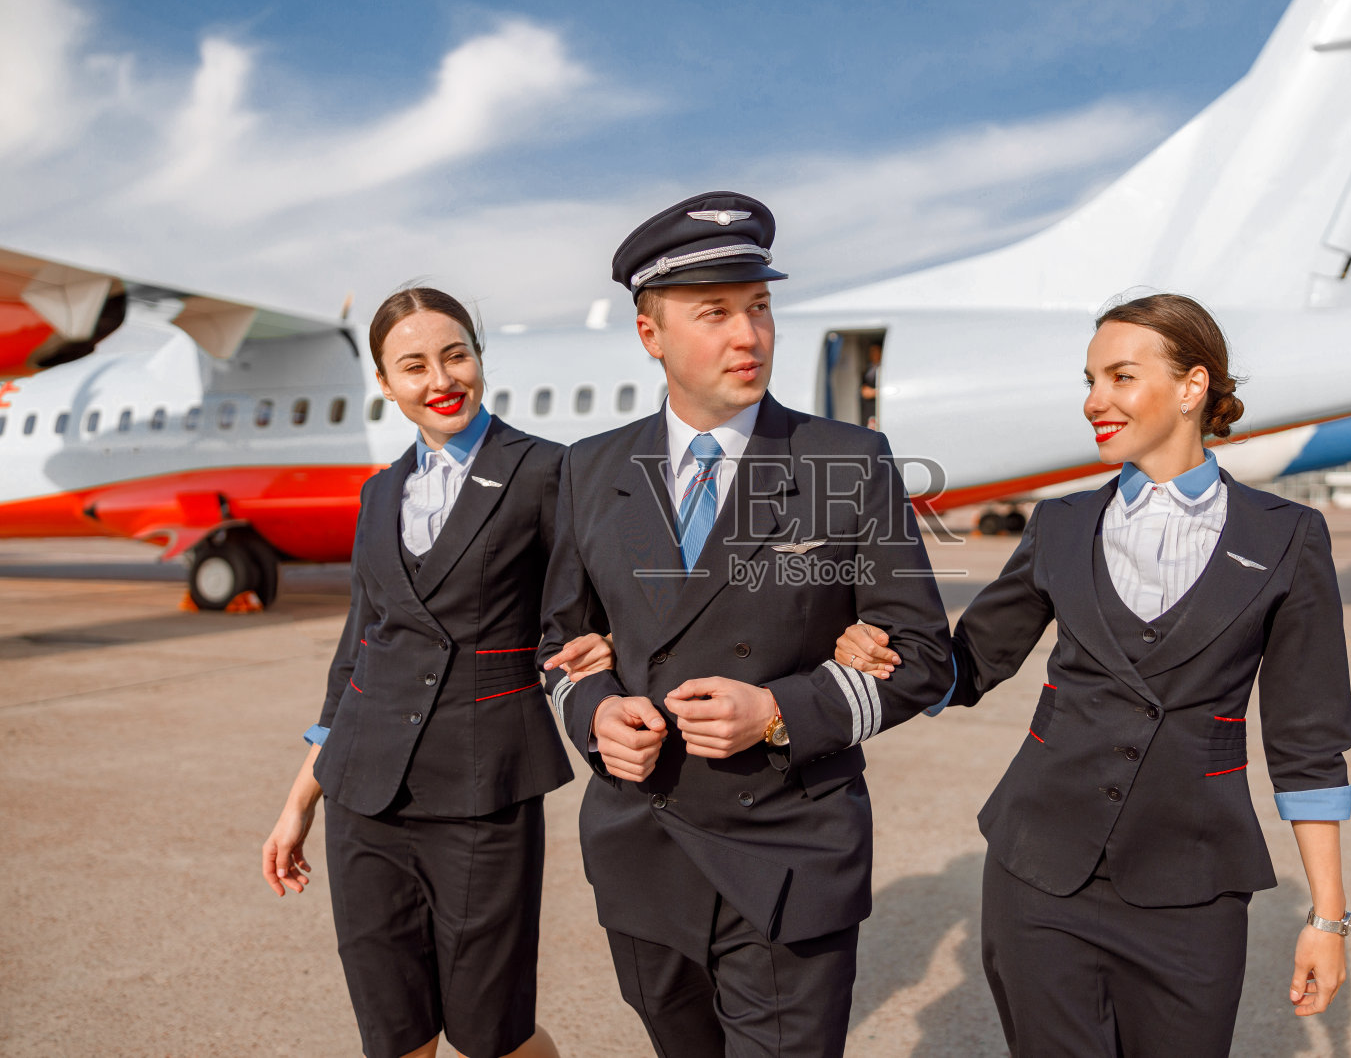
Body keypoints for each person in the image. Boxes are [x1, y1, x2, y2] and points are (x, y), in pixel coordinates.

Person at [834, 293, 1351, 1057]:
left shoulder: (1288, 537)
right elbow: (969, 663)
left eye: (1119, 376)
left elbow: (1307, 740)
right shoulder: (1063, 523)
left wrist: (1327, 916)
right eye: (1089, 379)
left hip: (1193, 888)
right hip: (1038, 877)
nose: (1094, 401)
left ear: (1191, 385)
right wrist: (880, 652)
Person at [538, 191, 954, 1057]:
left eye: (760, 307)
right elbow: (561, 644)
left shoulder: (846, 461)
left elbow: (920, 656)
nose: (749, 335)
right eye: (715, 312)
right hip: (643, 846)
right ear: (651, 334)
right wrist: (596, 712)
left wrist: (777, 712)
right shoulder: (591, 470)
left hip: (788, 848)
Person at [261, 286, 603, 1058]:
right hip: (364, 793)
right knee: (396, 1034)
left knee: (493, 1036)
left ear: (479, 358)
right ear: (386, 384)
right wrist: (299, 798)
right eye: (413, 365)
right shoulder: (381, 493)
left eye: (456, 355)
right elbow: (358, 649)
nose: (441, 378)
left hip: (483, 787)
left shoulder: (547, 471)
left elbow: (599, 605)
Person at [859, 341, 882, 429]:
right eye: (871, 352)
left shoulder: (882, 368)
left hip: (875, 405)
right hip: (867, 407)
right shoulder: (869, 368)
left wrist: (874, 392)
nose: (873, 354)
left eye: (875, 351)